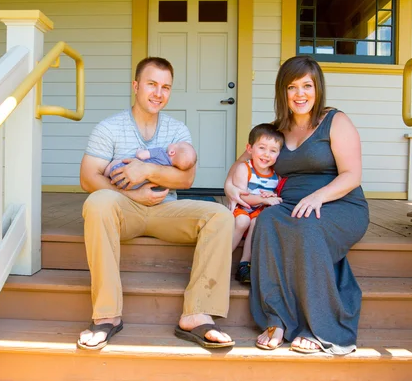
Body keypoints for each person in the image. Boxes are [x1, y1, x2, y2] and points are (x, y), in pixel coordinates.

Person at [77, 56, 235, 351]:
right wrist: (132, 195)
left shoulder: (177, 130)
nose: (158, 93)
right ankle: (107, 315)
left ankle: (196, 313)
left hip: (166, 209)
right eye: (151, 84)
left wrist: (147, 170)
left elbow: (186, 180)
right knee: (98, 202)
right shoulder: (109, 127)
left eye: (165, 87)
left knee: (221, 216)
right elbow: (88, 178)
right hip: (124, 210)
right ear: (136, 86)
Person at [225, 55, 369, 355]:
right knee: (264, 222)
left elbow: (352, 175)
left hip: (339, 203)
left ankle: (317, 327)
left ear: (318, 89)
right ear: (283, 92)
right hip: (288, 204)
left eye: (307, 86)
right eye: (292, 87)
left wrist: (318, 196)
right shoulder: (278, 128)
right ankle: (276, 318)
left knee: (307, 228)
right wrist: (230, 186)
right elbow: (245, 158)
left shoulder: (335, 121)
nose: (300, 94)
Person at [231, 124, 283, 285]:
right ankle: (222, 259)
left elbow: (273, 197)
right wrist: (263, 199)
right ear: (250, 148)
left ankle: (244, 264)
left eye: (273, 151)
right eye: (262, 148)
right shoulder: (243, 168)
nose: (266, 154)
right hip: (241, 209)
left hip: (257, 212)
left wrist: (271, 195)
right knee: (243, 221)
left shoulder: (276, 176)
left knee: (257, 222)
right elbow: (243, 197)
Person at [104, 141, 197, 189]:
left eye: (176, 144)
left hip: (121, 171)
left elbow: (141, 155)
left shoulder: (160, 152)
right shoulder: (169, 168)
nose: (173, 143)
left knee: (114, 163)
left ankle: (105, 177)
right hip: (132, 185)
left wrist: (139, 150)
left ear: (172, 152)